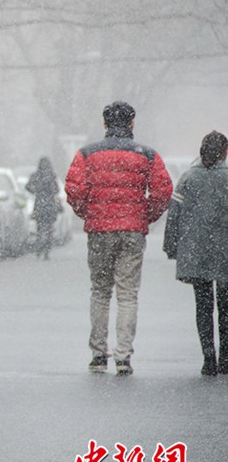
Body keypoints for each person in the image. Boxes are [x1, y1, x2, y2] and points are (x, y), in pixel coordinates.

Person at [65, 101, 172, 376]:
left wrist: (88, 212)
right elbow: (162, 190)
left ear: (105, 124)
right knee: (128, 294)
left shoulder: (87, 154)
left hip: (100, 230)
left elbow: (74, 189)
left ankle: (98, 354)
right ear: (132, 124)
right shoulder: (147, 155)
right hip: (132, 230)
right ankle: (123, 356)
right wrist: (145, 215)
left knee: (100, 291)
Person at [162, 131, 228, 376]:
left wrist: (172, 247)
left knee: (203, 305)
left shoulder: (188, 177)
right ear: (225, 152)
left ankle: (208, 358)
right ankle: (226, 358)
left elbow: (174, 215)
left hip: (196, 251)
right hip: (224, 251)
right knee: (226, 305)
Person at [25, 156, 60, 260]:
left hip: (40, 204)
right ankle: (46, 250)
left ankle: (39, 248)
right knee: (49, 229)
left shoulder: (36, 176)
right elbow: (56, 190)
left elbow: (27, 187)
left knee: (40, 229)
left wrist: (36, 191)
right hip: (49, 205)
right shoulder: (52, 176)